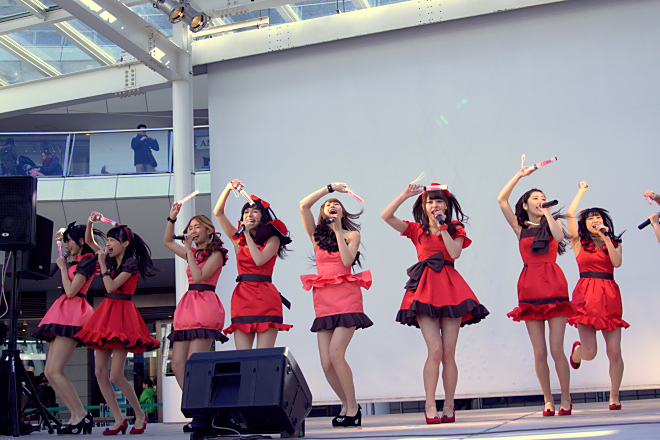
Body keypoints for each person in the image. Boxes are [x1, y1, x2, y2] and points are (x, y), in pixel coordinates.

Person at [382, 183, 488, 424]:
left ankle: (449, 404)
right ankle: (430, 404)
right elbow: (386, 216)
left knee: (449, 353)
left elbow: (455, 253)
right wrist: (404, 195)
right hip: (425, 290)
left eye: (439, 201)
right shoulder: (416, 230)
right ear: (423, 206)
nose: (434, 205)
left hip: (451, 289)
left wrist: (443, 227)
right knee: (436, 350)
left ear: (447, 206)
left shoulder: (455, 228)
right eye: (429, 201)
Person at [74, 213, 160, 435]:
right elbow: (90, 242)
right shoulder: (110, 259)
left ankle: (139, 415)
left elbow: (111, 287)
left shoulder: (131, 263)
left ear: (125, 243)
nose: (108, 243)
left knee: (115, 375)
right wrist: (91, 222)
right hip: (106, 314)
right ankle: (118, 419)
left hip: (123, 315)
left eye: (113, 240)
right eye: (108, 239)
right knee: (99, 372)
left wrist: (102, 264)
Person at [497, 168, 573, 417]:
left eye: (543, 197)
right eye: (535, 198)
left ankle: (566, 397)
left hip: (554, 284)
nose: (540, 201)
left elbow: (559, 236)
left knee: (556, 349)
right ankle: (548, 399)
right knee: (539, 351)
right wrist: (519, 176)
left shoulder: (553, 223)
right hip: (530, 287)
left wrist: (548, 213)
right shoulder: (520, 228)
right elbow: (501, 200)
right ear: (525, 204)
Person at [300, 183, 373, 427]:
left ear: (342, 212)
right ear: (322, 212)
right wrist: (330, 189)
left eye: (336, 204)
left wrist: (339, 230)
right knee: (326, 362)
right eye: (328, 205)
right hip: (324, 300)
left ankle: (352, 408)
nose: (332, 205)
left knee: (336, 353)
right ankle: (347, 404)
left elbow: (346, 260)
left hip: (347, 298)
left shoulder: (352, 235)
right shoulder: (316, 237)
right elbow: (303, 206)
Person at [31, 222, 104, 434]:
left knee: (54, 370)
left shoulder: (87, 262)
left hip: (72, 314)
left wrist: (63, 268)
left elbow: (71, 291)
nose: (67, 245)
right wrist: (63, 239)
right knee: (49, 372)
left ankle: (80, 415)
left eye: (69, 241)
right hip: (64, 313)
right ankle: (76, 415)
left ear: (80, 241)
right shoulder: (78, 261)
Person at [164, 205, 229, 433]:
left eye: (197, 227)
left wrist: (188, 251)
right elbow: (167, 241)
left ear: (209, 230)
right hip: (188, 306)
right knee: (177, 364)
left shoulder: (217, 253)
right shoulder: (193, 252)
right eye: (190, 228)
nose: (192, 231)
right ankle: (200, 409)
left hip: (205, 304)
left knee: (194, 364)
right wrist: (171, 219)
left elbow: (200, 276)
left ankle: (203, 413)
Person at [567, 181, 627, 410]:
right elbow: (570, 215)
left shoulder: (615, 242)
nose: (595, 220)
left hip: (609, 294)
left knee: (615, 352)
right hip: (585, 294)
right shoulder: (578, 242)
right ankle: (577, 352)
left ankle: (614, 395)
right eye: (590, 218)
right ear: (584, 223)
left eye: (598, 217)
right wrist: (581, 191)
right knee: (590, 352)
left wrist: (608, 238)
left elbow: (617, 263)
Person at [213, 179, 293, 349]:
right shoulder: (238, 240)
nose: (249, 215)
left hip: (266, 297)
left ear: (263, 216)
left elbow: (259, 260)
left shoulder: (273, 239)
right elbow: (218, 213)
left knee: (263, 357)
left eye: (255, 211)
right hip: (242, 297)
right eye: (246, 212)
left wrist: (247, 235)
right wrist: (228, 188)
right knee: (243, 357)